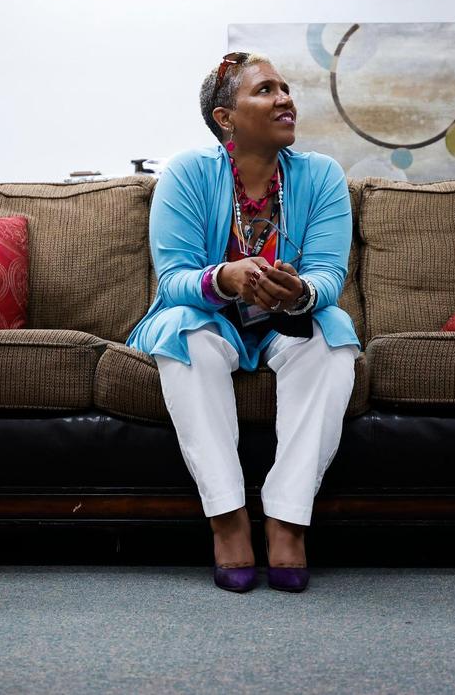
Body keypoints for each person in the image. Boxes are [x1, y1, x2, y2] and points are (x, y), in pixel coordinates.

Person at [126, 52, 360, 593]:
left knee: (335, 332)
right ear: (225, 116)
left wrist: (302, 291)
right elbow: (174, 280)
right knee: (184, 329)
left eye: (285, 88)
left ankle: (287, 519)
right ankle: (228, 519)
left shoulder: (321, 176)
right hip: (209, 318)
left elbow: (330, 273)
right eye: (265, 90)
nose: (284, 98)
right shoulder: (188, 173)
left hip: (285, 323)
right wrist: (222, 279)